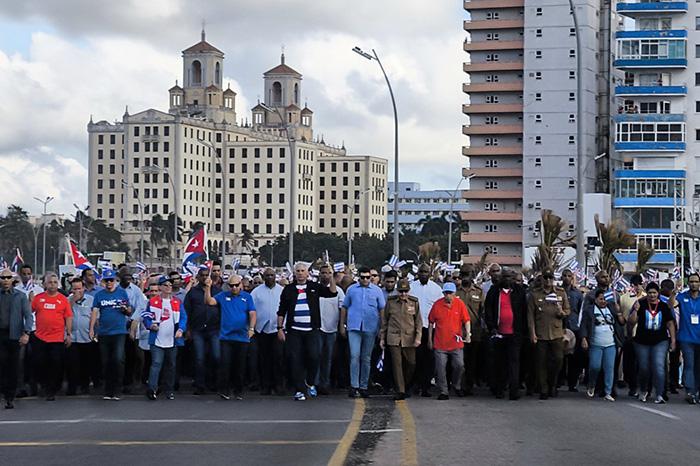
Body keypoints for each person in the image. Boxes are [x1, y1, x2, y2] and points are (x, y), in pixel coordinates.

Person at [277, 262, 337, 401]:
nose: (300, 273)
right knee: (296, 360)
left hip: (312, 330)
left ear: (307, 272)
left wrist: (332, 276)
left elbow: (332, 293)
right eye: (297, 271)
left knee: (314, 357)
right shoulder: (288, 289)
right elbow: (281, 310)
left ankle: (310, 383)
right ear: (294, 273)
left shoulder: (314, 287)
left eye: (302, 270)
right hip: (294, 331)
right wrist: (280, 328)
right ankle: (299, 389)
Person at [204, 274, 256, 401]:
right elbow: (209, 301)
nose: (234, 288)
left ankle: (238, 390)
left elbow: (252, 313)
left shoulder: (247, 297)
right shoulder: (223, 295)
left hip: (242, 336)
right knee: (225, 364)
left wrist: (251, 328)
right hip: (226, 337)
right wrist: (207, 287)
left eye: (236, 285)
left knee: (240, 365)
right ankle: (224, 390)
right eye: (231, 286)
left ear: (241, 285)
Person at [341, 267, 386, 398]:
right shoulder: (351, 289)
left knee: (366, 358)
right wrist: (342, 325)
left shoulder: (377, 291)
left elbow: (382, 310)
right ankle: (354, 385)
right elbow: (344, 307)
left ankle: (364, 385)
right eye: (363, 277)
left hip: (370, 328)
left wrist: (382, 329)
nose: (365, 279)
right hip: (354, 327)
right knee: (354, 356)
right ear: (358, 278)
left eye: (368, 277)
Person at [629, 282, 676, 404]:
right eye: (650, 293)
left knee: (659, 366)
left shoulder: (664, 306)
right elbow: (632, 322)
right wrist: (635, 311)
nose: (652, 295)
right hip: (642, 341)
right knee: (644, 367)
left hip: (660, 341)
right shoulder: (641, 304)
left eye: (654, 293)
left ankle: (660, 394)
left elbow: (670, 324)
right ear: (647, 293)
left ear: (658, 293)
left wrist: (673, 340)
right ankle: (643, 390)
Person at [485, 269, 528, 400]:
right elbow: (488, 309)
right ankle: (499, 390)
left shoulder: (520, 291)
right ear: (501, 278)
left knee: (514, 363)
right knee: (499, 363)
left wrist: (522, 331)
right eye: (505, 277)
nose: (507, 280)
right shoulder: (494, 291)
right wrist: (491, 327)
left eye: (510, 277)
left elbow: (524, 311)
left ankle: (513, 391)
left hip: (515, 333)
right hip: (498, 333)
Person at [90, 268, 132, 400]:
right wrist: (91, 329)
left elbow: (129, 311)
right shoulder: (99, 295)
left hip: (119, 331)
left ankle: (117, 388)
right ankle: (108, 389)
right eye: (107, 280)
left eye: (111, 280)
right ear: (103, 281)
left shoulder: (122, 293)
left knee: (118, 359)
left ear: (115, 280)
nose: (109, 283)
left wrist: (125, 310)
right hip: (104, 332)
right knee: (106, 361)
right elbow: (95, 313)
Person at [527, 269, 570, 400]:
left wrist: (562, 312)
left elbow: (568, 310)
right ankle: (544, 388)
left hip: (556, 332)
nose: (548, 280)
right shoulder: (535, 295)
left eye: (550, 278)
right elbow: (530, 316)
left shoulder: (561, 293)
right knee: (541, 363)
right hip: (541, 333)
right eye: (546, 278)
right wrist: (532, 333)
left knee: (558, 360)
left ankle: (553, 383)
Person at [142, 275, 187, 400]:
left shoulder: (177, 302)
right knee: (156, 363)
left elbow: (183, 317)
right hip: (157, 339)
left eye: (170, 285)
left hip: (172, 339)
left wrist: (181, 329)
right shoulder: (152, 302)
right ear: (161, 287)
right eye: (166, 285)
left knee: (171, 364)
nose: (169, 287)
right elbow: (146, 317)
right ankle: (152, 388)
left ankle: (169, 389)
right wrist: (151, 325)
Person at [31, 273, 72, 401]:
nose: (53, 285)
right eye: (50, 282)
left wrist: (69, 334)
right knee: (40, 363)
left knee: (56, 364)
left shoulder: (63, 299)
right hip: (40, 337)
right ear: (45, 284)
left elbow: (68, 317)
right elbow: (28, 312)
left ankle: (52, 389)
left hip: (57, 338)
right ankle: (43, 385)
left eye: (55, 282)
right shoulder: (38, 298)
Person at [580, 288, 625, 401]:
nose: (603, 301)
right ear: (595, 299)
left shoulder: (612, 309)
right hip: (596, 344)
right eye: (600, 299)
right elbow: (584, 325)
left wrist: (619, 312)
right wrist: (584, 338)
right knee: (595, 366)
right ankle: (591, 384)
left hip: (610, 344)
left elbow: (621, 322)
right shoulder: (590, 310)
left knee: (609, 368)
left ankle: (608, 391)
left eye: (605, 299)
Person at [380, 279, 421, 400]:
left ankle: (406, 385)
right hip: (394, 337)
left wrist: (418, 337)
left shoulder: (414, 302)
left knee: (411, 363)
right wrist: (382, 338)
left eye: (406, 291)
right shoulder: (391, 302)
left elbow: (418, 322)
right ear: (397, 291)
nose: (403, 294)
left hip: (409, 337)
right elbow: (385, 321)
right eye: (401, 291)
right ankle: (400, 390)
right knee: (397, 364)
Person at [183, 265, 222, 394]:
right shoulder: (192, 292)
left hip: (214, 329)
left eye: (207, 275)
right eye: (203, 275)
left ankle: (214, 383)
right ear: (198, 277)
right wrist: (187, 329)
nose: (205, 277)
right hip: (197, 329)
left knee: (216, 356)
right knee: (199, 358)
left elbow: (221, 310)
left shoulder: (217, 291)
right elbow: (186, 311)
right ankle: (200, 385)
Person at [429, 282, 470, 400]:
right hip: (440, 343)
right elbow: (431, 322)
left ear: (454, 293)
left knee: (459, 365)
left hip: (456, 342)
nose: (448, 296)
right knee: (440, 367)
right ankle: (444, 391)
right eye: (446, 293)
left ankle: (456, 385)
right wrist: (430, 340)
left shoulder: (460, 304)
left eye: (450, 293)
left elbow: (466, 320)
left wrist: (468, 334)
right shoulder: (437, 305)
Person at [0, 268, 32, 409]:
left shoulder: (20, 296)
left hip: (15, 335)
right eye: (3, 278)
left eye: (8, 277)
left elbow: (28, 316)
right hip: (1, 335)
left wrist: (26, 333)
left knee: (14, 366)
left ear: (13, 280)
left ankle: (10, 396)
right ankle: (5, 391)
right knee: (2, 365)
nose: (5, 280)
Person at [410, 264, 443, 397]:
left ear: (430, 273)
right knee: (415, 358)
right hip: (414, 328)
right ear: (418, 273)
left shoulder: (436, 289)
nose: (423, 274)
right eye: (421, 272)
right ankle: (415, 384)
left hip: (431, 329)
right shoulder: (412, 287)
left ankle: (426, 386)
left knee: (429, 359)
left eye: (426, 272)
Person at [251, 267, 284, 395]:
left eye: (272, 275)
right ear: (263, 277)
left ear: (275, 277)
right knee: (264, 359)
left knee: (278, 358)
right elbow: (251, 309)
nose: (270, 277)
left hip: (277, 330)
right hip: (262, 330)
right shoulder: (256, 292)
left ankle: (279, 385)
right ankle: (265, 386)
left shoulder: (282, 291)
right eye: (267, 275)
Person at [66, 277, 99, 395]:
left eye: (79, 289)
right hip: (73, 337)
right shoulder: (67, 301)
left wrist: (95, 333)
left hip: (86, 337)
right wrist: (72, 301)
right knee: (72, 364)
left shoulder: (91, 300)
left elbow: (96, 319)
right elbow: (64, 316)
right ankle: (72, 387)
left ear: (84, 288)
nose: (77, 291)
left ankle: (85, 386)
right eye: (74, 289)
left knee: (86, 364)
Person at [118, 266, 148, 394]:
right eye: (125, 277)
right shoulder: (115, 289)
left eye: (130, 277)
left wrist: (132, 321)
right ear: (120, 277)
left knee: (135, 356)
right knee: (120, 357)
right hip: (118, 327)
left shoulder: (136, 291)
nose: (128, 279)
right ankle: (121, 381)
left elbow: (141, 307)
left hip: (132, 327)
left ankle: (134, 380)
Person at [316, 264, 345, 395]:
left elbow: (342, 309)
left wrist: (341, 326)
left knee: (327, 358)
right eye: (323, 273)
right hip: (317, 328)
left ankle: (325, 383)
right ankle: (314, 383)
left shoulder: (338, 291)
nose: (325, 275)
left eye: (328, 273)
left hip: (332, 329)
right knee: (316, 357)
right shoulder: (314, 289)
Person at [456, 266, 484, 395]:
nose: (466, 276)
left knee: (472, 361)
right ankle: (461, 386)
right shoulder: (456, 292)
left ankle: (469, 385)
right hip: (458, 332)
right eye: (463, 274)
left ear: (472, 275)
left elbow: (483, 312)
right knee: (460, 361)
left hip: (475, 332)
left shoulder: (479, 292)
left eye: (468, 274)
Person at [677, 272, 700, 404]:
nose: (693, 284)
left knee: (698, 366)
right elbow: (671, 304)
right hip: (686, 337)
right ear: (688, 283)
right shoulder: (682, 296)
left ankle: (697, 391)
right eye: (691, 281)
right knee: (689, 365)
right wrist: (675, 291)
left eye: (696, 281)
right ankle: (690, 391)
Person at [619, 273, 644, 396]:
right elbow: (621, 314)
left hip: (643, 335)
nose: (638, 286)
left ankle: (641, 387)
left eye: (640, 284)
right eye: (635, 284)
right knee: (630, 363)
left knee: (642, 363)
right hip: (628, 335)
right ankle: (632, 386)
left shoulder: (647, 297)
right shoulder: (624, 298)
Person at [561, 269, 584, 392]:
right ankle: (559, 381)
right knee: (559, 356)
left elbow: (581, 311)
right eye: (564, 275)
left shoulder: (578, 294)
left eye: (569, 276)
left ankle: (572, 383)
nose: (566, 278)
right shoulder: (557, 292)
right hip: (559, 328)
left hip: (574, 327)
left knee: (574, 358)